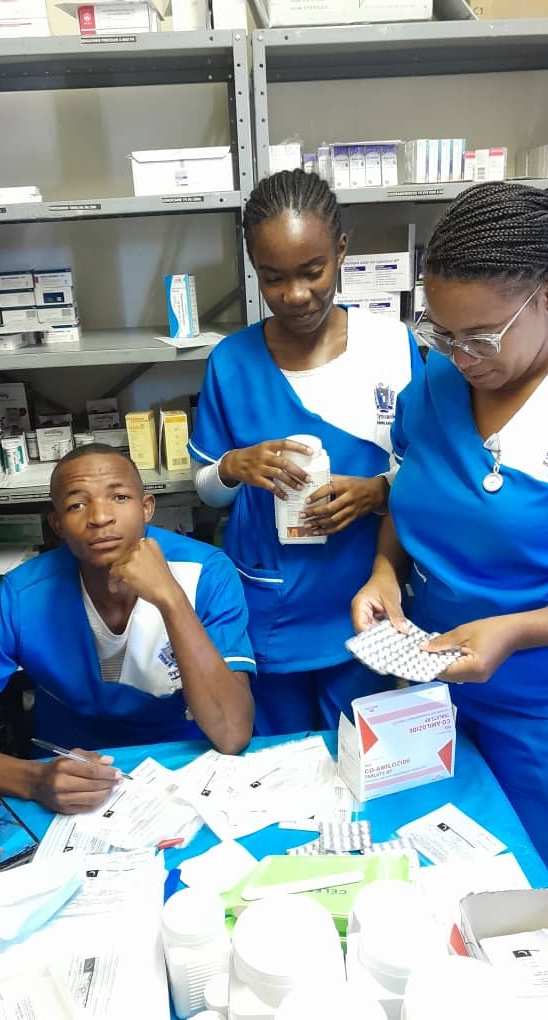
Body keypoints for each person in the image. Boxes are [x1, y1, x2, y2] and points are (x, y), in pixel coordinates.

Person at [352, 181, 548, 885]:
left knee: (504, 891)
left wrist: (514, 631)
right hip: (437, 686)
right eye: (440, 332)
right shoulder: (438, 381)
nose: (460, 357)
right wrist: (385, 573)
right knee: (424, 875)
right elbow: (410, 496)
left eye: (480, 336)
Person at [0, 444, 255, 813]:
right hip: (68, 770)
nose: (100, 517)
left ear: (146, 508)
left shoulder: (205, 573)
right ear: (58, 525)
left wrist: (171, 599)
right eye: (77, 504)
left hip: (183, 759)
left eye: (119, 497)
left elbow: (231, 733)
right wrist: (32, 780)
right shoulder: (25, 595)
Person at [189, 169, 422, 734]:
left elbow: (425, 471)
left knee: (360, 759)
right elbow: (209, 492)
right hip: (270, 605)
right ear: (254, 269)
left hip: (363, 598)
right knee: (277, 763)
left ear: (341, 251)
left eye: (312, 271)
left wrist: (377, 492)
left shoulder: (391, 345)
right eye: (273, 278)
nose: (295, 295)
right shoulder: (232, 361)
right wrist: (231, 467)